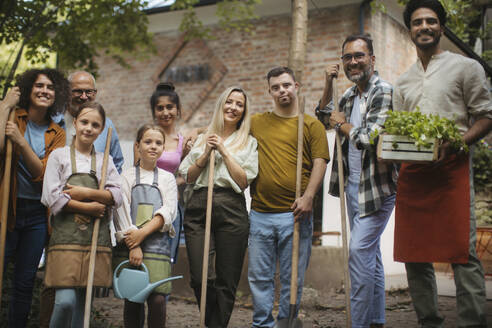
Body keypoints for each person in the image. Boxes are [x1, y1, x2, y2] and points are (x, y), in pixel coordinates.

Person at [393, 1, 492, 327]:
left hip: (453, 171)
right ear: (410, 30)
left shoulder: (466, 68)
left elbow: (486, 116)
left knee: (462, 253)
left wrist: (458, 144)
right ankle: (429, 321)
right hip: (414, 174)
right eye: (418, 22)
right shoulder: (403, 81)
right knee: (414, 253)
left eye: (431, 21)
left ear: (442, 27)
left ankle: (472, 322)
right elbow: (398, 128)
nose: (424, 26)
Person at [315, 34, 397, 328]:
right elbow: (323, 115)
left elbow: (368, 137)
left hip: (377, 188)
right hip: (352, 186)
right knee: (370, 255)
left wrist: (343, 124)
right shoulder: (348, 95)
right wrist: (327, 83)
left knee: (359, 252)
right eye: (347, 57)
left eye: (359, 56)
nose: (353, 62)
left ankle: (358, 323)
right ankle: (376, 319)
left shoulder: (383, 91)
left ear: (372, 59)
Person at [248, 67, 329, 327]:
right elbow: (226, 129)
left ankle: (286, 321)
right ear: (269, 91)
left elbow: (320, 162)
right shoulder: (257, 122)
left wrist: (308, 197)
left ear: (297, 86)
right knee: (259, 276)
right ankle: (262, 323)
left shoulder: (311, 125)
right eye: (276, 87)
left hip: (294, 214)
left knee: (292, 277)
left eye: (286, 85)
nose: (282, 90)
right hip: (260, 213)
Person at [179, 86, 258, 328]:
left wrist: (223, 150)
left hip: (232, 207)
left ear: (244, 111)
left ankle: (215, 325)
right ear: (221, 105)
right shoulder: (202, 139)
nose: (233, 107)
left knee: (227, 278)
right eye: (229, 102)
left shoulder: (249, 142)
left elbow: (243, 181)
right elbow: (189, 177)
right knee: (200, 276)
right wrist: (205, 154)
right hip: (199, 205)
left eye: (239, 104)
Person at [41, 102, 122, 328]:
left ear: (102, 129)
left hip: (94, 242)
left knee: (82, 305)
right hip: (66, 240)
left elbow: (117, 194)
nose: (89, 128)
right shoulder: (59, 156)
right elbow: (52, 197)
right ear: (74, 123)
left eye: (95, 125)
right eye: (84, 122)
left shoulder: (105, 160)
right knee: (65, 302)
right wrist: (90, 207)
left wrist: (86, 192)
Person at [0, 68, 68, 328]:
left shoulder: (57, 133)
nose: (44, 90)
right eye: (39, 85)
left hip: (38, 216)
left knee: (24, 282)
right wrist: (5, 104)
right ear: (29, 90)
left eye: (50, 87)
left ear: (56, 94)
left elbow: (43, 173)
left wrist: (20, 142)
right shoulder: (13, 116)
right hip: (6, 209)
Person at [113, 124, 178, 328]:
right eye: (148, 141)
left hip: (157, 248)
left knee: (158, 299)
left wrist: (141, 234)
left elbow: (168, 212)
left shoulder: (168, 179)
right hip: (132, 248)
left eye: (158, 143)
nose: (153, 146)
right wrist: (134, 245)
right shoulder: (127, 176)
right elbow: (121, 213)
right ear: (137, 145)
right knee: (133, 298)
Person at [138, 82, 192, 263]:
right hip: (146, 201)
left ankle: (164, 292)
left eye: (170, 107)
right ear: (154, 111)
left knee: (166, 257)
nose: (165, 112)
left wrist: (173, 182)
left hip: (171, 203)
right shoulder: (147, 137)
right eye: (160, 108)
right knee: (144, 254)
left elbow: (185, 174)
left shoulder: (182, 142)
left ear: (178, 110)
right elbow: (136, 170)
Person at [53, 70, 124, 173]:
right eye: (78, 91)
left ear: (95, 93)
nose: (84, 97)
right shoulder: (54, 122)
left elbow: (116, 164)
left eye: (89, 92)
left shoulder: (107, 125)